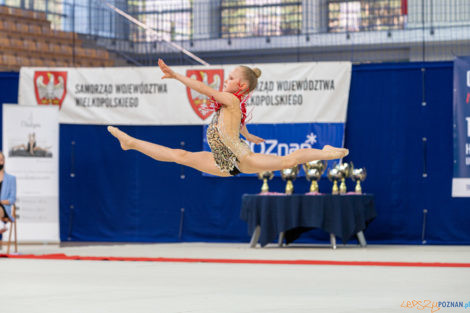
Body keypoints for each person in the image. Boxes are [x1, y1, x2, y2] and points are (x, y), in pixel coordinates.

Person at [108, 59, 348, 177]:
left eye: (231, 78)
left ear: (241, 85)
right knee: (178, 156)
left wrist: (177, 76)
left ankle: (326, 152)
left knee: (287, 161)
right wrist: (248, 134)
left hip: (239, 159)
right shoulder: (234, 105)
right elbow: (238, 123)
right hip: (223, 160)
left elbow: (203, 88)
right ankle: (130, 143)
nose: (226, 79)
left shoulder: (230, 100)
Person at [0, 151, 17, 234]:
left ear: (4, 161)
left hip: (4, 208)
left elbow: (12, 199)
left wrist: (1, 202)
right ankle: (0, 225)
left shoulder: (11, 179)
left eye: (0, 160)